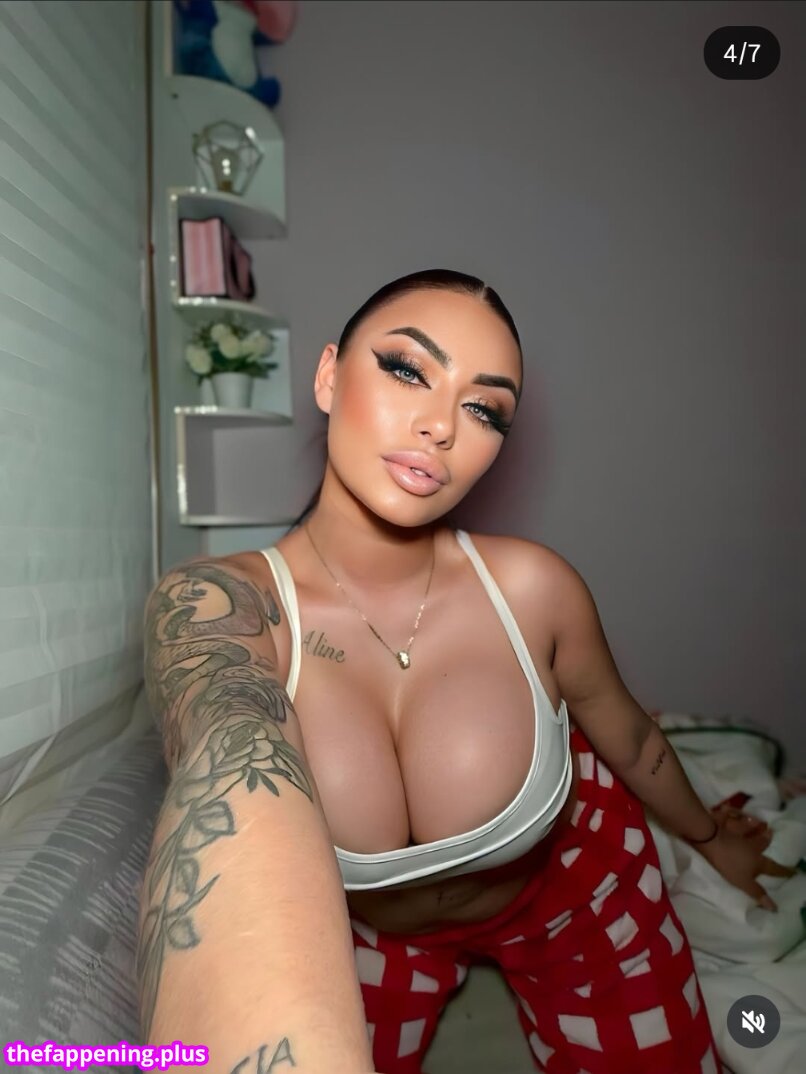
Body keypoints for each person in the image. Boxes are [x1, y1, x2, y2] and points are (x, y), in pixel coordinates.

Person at [139, 269, 793, 1074]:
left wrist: (710, 838)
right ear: (327, 376)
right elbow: (222, 775)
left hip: (568, 887)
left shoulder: (537, 588)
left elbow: (628, 736)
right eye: (407, 369)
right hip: (372, 932)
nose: (441, 427)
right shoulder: (219, 606)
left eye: (484, 409)